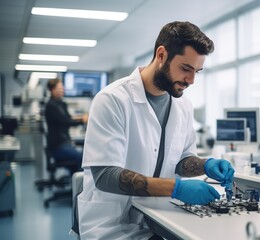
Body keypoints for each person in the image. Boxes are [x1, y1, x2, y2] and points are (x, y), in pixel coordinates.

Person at [77, 21, 235, 239]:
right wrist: (176, 188)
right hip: (112, 225)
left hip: (158, 216)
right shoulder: (112, 99)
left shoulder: (183, 105)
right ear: (161, 55)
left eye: (197, 71)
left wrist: (205, 165)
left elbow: (181, 161)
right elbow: (105, 176)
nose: (191, 80)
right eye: (186, 69)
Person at [45, 79, 88, 173]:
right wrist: (82, 121)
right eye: (59, 88)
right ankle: (80, 185)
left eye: (62, 87)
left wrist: (81, 118)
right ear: (52, 90)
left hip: (65, 142)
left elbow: (68, 117)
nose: (62, 90)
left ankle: (74, 182)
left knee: (79, 156)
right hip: (57, 146)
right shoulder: (51, 105)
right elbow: (65, 121)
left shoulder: (61, 103)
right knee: (81, 157)